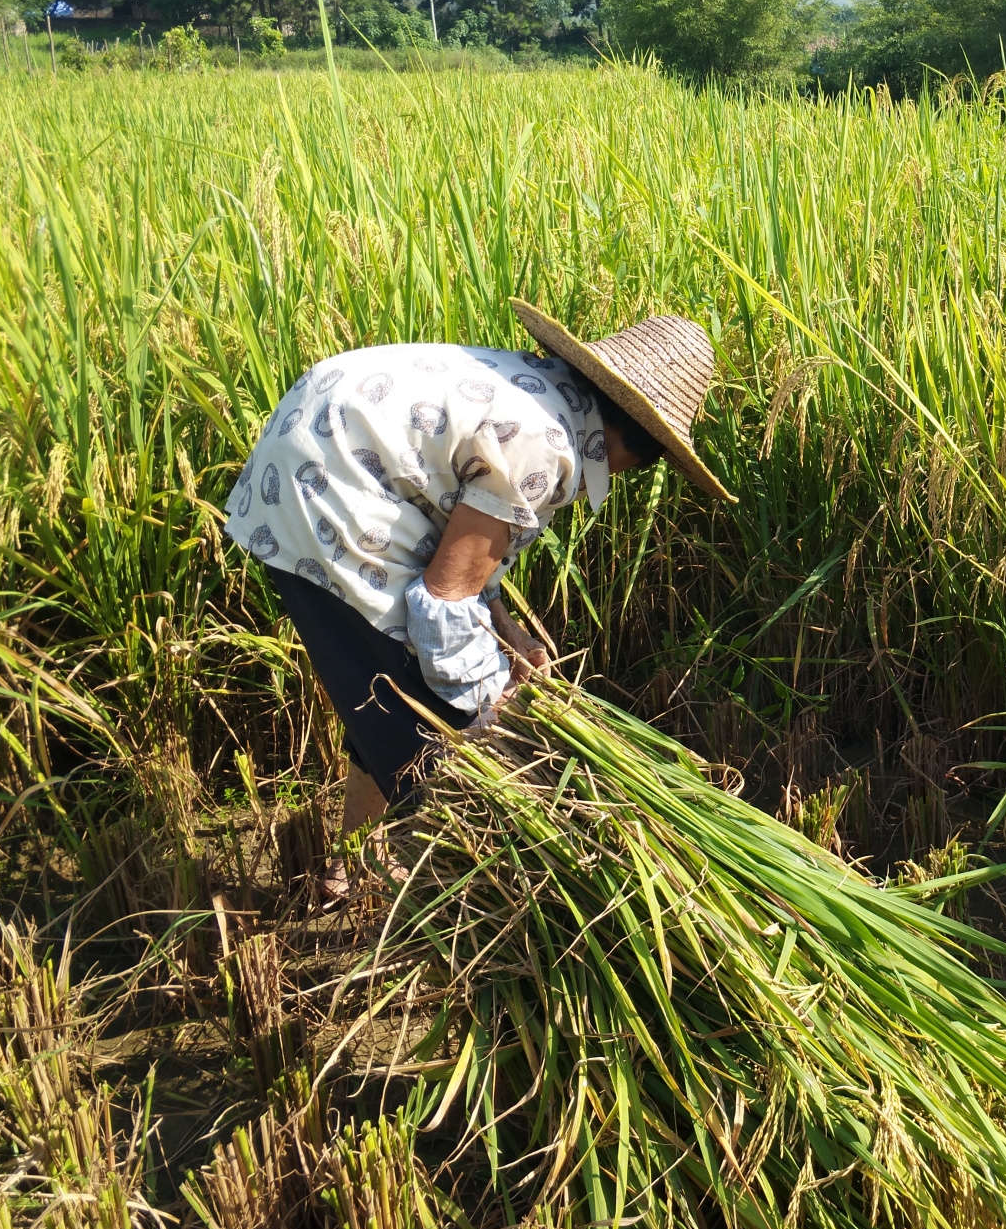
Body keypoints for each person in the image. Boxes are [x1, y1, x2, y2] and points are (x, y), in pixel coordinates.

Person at [223, 301, 736, 899]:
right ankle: (451, 902)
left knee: (378, 691)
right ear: (639, 449)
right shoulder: (548, 449)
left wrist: (505, 633)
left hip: (302, 463)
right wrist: (491, 714)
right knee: (429, 725)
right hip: (330, 497)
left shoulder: (541, 394)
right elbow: (442, 602)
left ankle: (352, 863)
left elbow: (458, 547)